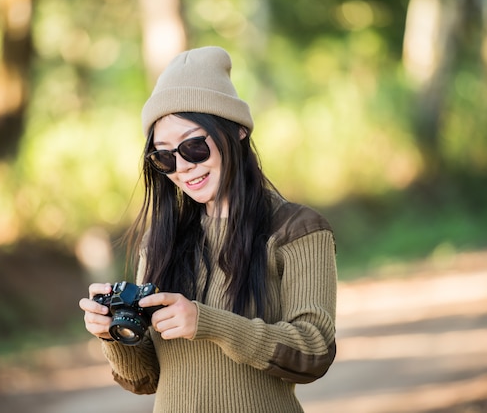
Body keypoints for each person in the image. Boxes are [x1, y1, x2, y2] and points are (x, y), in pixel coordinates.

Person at [79, 46, 337, 413]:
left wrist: (208, 322)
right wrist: (113, 335)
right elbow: (146, 380)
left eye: (194, 147)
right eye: (164, 156)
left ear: (238, 131)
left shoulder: (297, 229)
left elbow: (314, 351)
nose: (182, 167)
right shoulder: (160, 242)